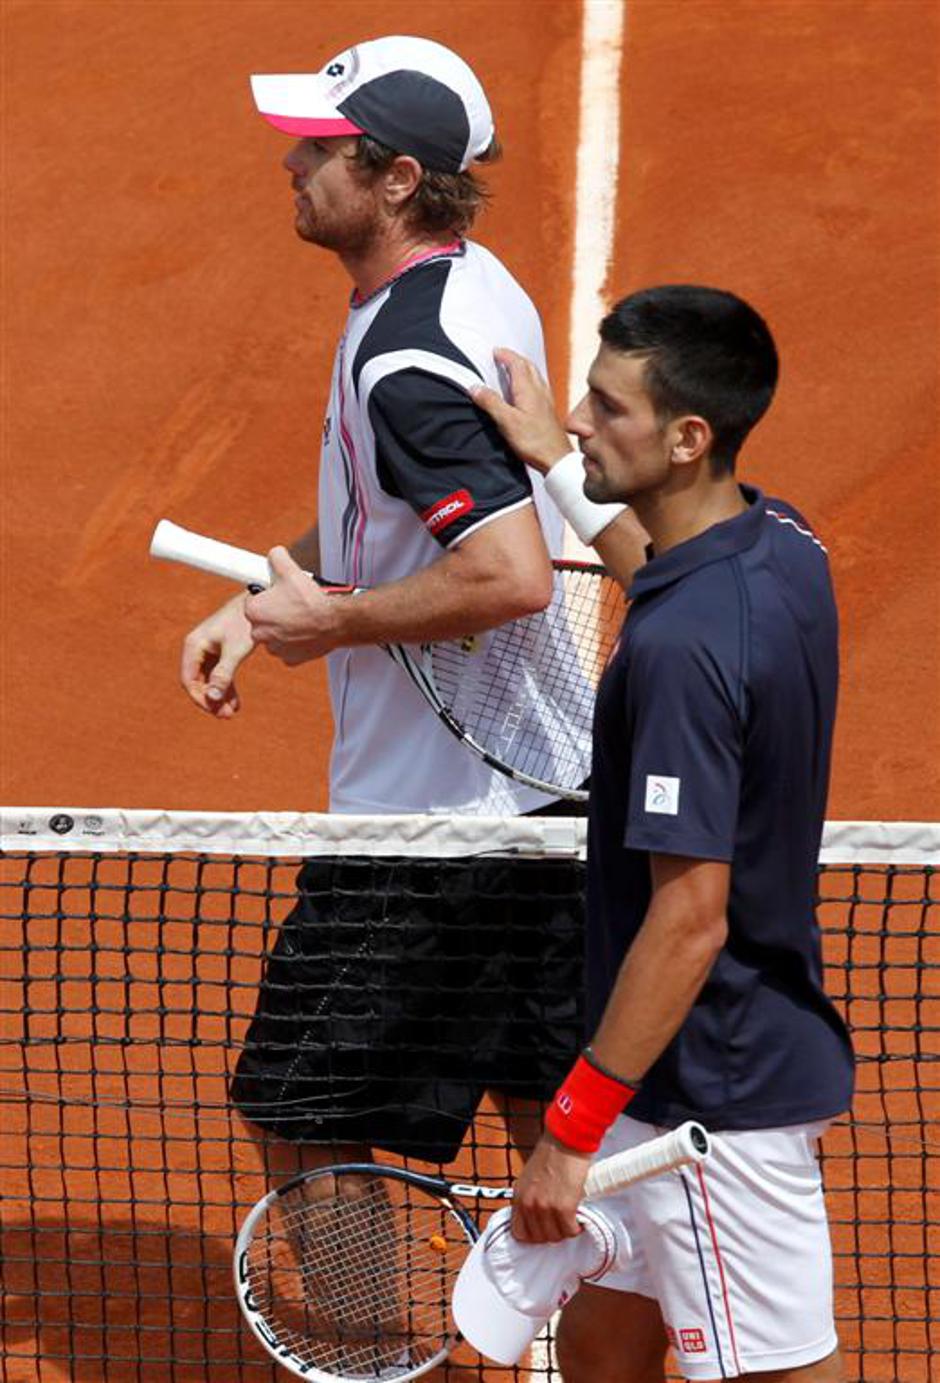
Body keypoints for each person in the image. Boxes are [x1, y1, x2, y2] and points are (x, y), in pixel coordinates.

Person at [179, 35, 643, 1175]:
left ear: (395, 179)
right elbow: (394, 510)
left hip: (432, 826)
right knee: (551, 1131)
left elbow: (509, 574)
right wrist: (260, 593)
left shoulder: (403, 359)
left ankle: (362, 1352)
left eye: (324, 148)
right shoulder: (468, 287)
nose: (293, 161)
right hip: (546, 796)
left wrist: (327, 621)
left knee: (298, 1111)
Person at [467, 285, 855, 1383]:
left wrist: (570, 1126)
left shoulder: (684, 653)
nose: (581, 417)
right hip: (662, 1073)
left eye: (606, 407)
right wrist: (553, 461)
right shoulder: (778, 543)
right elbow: (662, 574)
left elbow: (688, 918)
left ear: (688, 438)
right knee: (601, 1351)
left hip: (707, 1104)